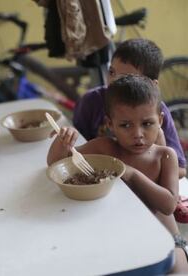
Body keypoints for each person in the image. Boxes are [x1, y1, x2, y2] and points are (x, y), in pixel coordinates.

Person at [48, 75, 188, 273]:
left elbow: (168, 205)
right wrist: (63, 141)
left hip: (167, 242)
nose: (137, 133)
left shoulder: (164, 156)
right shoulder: (104, 147)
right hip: (119, 239)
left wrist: (132, 174)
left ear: (160, 120)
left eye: (147, 123)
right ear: (110, 124)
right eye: (125, 125)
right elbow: (58, 163)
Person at [73, 38, 186, 178]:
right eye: (112, 72)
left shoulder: (156, 112)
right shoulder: (90, 101)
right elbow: (75, 152)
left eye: (125, 78)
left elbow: (181, 170)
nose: (113, 81)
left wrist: (158, 157)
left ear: (152, 85)